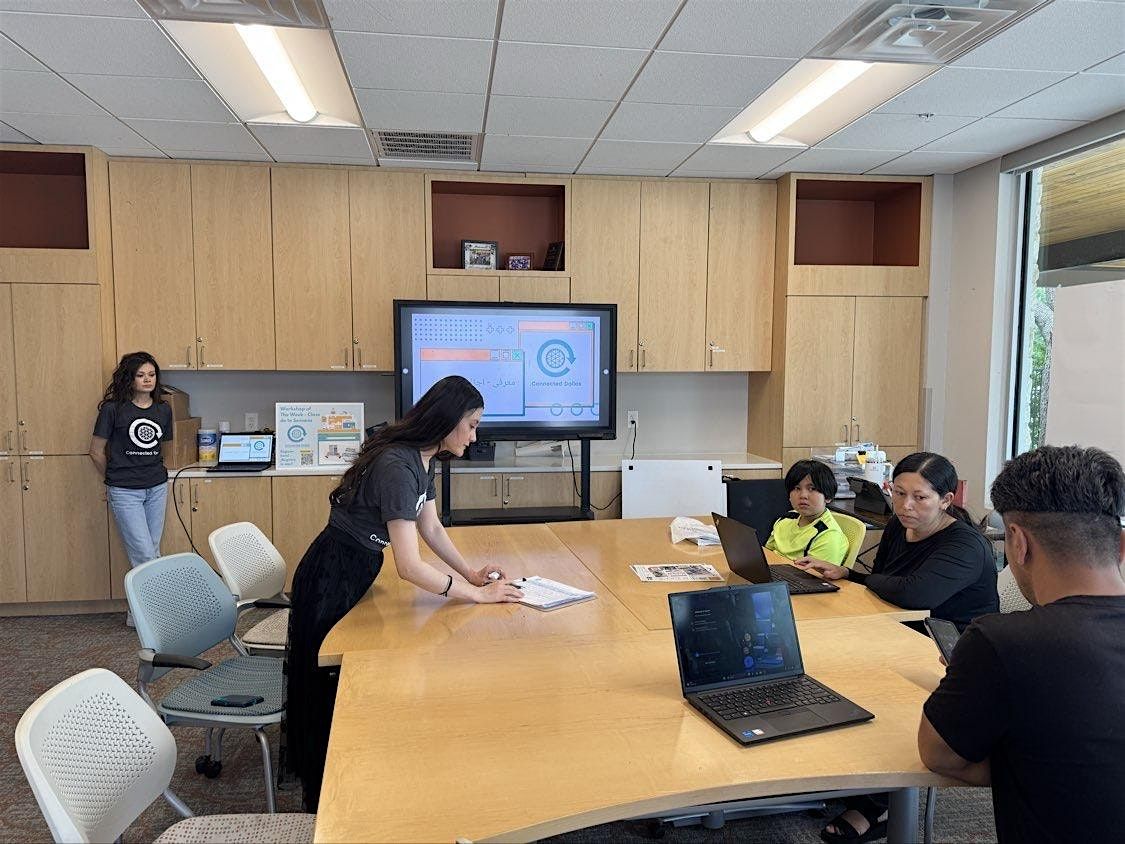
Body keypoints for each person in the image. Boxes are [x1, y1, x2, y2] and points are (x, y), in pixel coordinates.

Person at [283, 375, 522, 811]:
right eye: (471, 426)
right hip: (332, 574)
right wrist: (476, 596)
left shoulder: (422, 458)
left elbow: (430, 526)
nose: (474, 436)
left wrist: (470, 573)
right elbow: (409, 567)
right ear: (448, 421)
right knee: (327, 684)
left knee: (344, 679)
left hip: (356, 566)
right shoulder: (397, 465)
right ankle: (330, 799)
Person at [919, 445, 1125, 843]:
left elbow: (940, 755)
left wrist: (1028, 759)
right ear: (1120, 545)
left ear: (1017, 543)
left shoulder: (1003, 641)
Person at [795, 451, 998, 842]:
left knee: (866, 684)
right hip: (898, 628)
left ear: (946, 500)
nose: (905, 506)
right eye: (899, 493)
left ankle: (879, 802)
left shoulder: (965, 545)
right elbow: (888, 583)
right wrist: (848, 574)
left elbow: (914, 594)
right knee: (823, 661)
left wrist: (866, 579)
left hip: (949, 649)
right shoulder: (898, 527)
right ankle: (846, 770)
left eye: (919, 497)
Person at [89, 352, 173, 623]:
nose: (147, 380)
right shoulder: (113, 409)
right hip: (125, 491)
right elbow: (96, 452)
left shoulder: (163, 409)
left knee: (151, 551)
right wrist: (113, 479)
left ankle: (137, 615)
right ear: (129, 379)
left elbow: (163, 448)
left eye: (152, 374)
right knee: (144, 554)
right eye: (140, 375)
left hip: (156, 487)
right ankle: (152, 617)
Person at [765, 459, 850, 565]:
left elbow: (813, 574)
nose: (803, 495)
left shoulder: (829, 536)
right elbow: (767, 553)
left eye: (812, 488)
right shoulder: (785, 519)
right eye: (797, 488)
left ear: (828, 496)